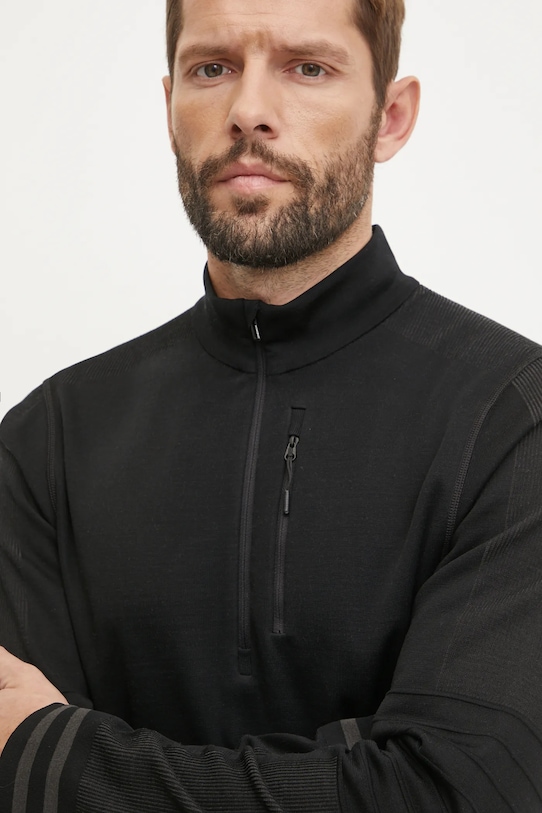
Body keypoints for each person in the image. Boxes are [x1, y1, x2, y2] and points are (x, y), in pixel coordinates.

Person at [1, 0, 541, 810]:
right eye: (211, 68)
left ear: (391, 117)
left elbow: (459, 790)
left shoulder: (513, 417)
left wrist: (65, 757)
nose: (248, 109)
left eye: (307, 67)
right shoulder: (46, 439)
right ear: (170, 109)